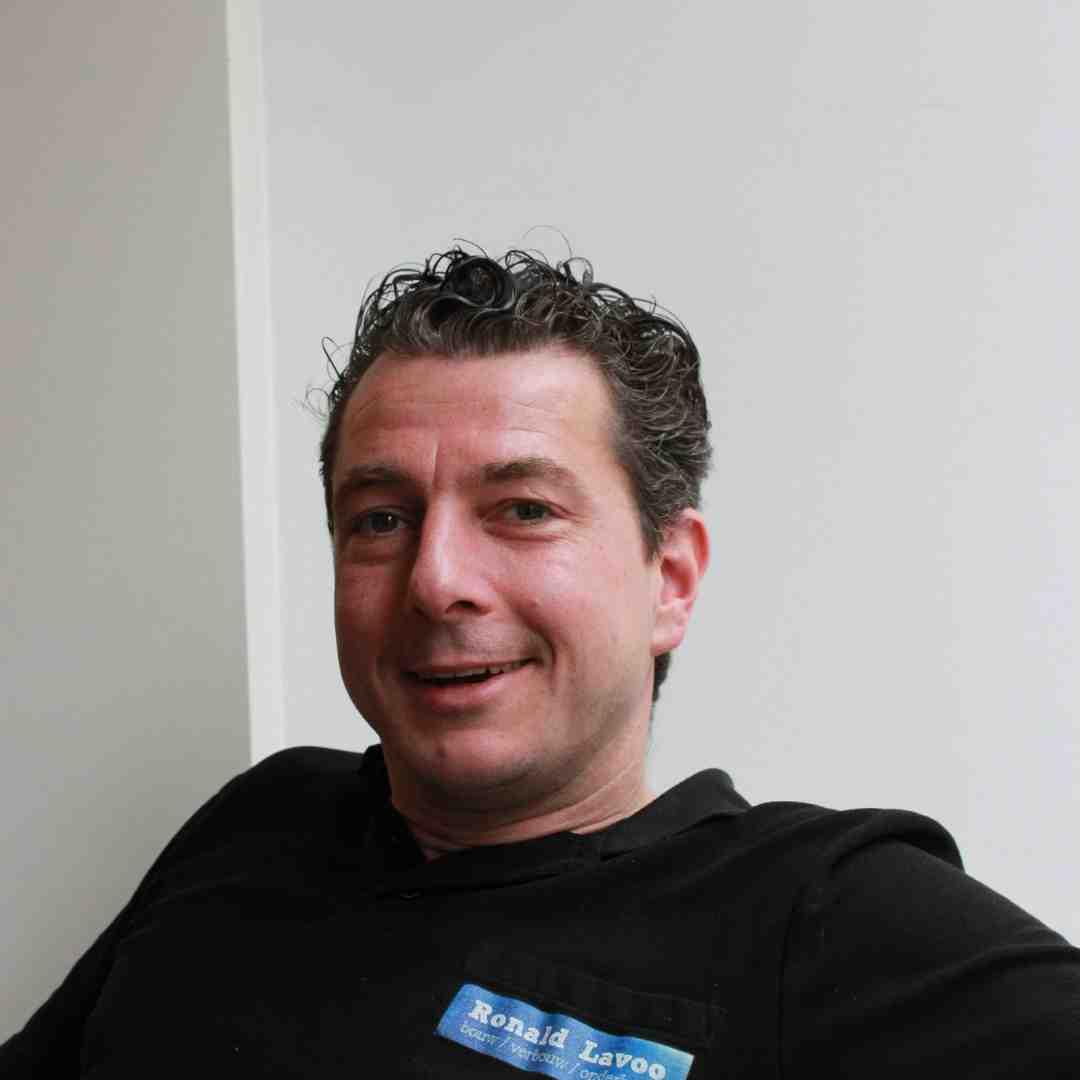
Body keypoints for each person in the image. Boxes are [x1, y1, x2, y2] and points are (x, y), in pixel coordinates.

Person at [3, 248, 1078, 1078]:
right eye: (381, 519)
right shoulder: (259, 824)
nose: (435, 581)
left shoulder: (813, 916)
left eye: (522, 510)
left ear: (670, 579)